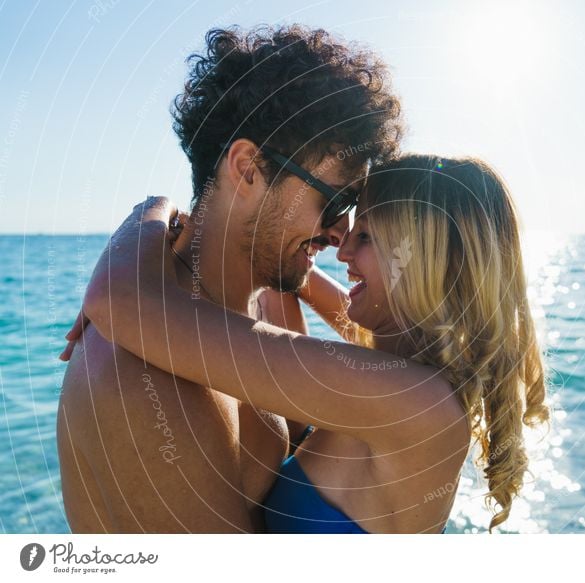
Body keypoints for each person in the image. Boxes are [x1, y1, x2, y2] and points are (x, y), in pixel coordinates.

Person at [77, 153, 550, 533]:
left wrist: (151, 212)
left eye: (364, 236)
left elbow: (117, 302)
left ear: (421, 258)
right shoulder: (404, 369)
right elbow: (296, 281)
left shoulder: (411, 401)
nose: (342, 250)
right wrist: (289, 244)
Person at [56, 24, 403, 533]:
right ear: (246, 168)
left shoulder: (253, 310)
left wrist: (150, 216)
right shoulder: (143, 373)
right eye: (334, 202)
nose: (340, 235)